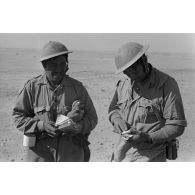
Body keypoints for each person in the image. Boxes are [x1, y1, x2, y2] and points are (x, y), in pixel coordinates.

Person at [12, 41, 98, 162]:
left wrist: (79, 127)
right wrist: (41, 125)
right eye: (53, 65)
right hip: (40, 155)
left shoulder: (77, 88)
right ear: (44, 66)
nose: (58, 69)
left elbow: (92, 118)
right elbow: (18, 117)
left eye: (62, 64)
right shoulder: (32, 87)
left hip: (71, 155)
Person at [108, 42, 187, 162]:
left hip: (151, 157)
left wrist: (147, 137)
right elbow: (113, 109)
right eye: (126, 71)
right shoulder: (123, 84)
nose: (131, 75)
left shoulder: (166, 85)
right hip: (122, 154)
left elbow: (176, 126)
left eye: (134, 69)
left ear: (144, 60)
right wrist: (116, 119)